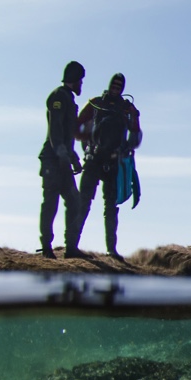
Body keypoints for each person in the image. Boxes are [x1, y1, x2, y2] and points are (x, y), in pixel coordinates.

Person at [69, 72, 143, 259]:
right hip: (94, 159)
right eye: (114, 85)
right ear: (109, 85)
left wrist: (127, 148)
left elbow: (136, 133)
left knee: (111, 207)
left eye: (119, 86)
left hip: (113, 161)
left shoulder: (127, 108)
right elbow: (76, 127)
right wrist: (88, 140)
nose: (116, 88)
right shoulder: (95, 104)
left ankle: (111, 249)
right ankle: (71, 246)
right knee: (83, 203)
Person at [38, 60, 85, 258]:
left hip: (63, 159)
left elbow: (67, 134)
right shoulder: (58, 96)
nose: (81, 84)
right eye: (80, 80)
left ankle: (71, 249)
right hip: (53, 160)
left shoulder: (68, 98)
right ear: (74, 79)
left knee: (75, 202)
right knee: (51, 203)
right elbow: (55, 130)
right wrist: (62, 155)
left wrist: (73, 157)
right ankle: (46, 247)